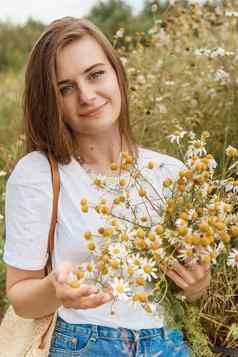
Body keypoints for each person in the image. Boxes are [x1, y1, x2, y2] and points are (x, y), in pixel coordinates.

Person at [3, 17, 210, 357]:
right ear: (50, 101)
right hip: (82, 343)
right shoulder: (39, 174)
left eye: (95, 74)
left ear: (117, 73)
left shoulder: (172, 174)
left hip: (168, 343)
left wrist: (196, 284)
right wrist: (56, 289)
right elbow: (20, 295)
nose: (86, 95)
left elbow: (187, 293)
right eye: (65, 88)